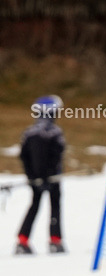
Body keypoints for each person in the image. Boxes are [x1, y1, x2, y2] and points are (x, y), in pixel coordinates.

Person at [16, 95, 66, 255]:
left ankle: (22, 240)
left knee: (34, 206)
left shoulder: (29, 133)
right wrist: (49, 175)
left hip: (35, 178)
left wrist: (32, 176)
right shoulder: (55, 133)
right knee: (55, 207)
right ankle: (55, 240)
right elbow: (56, 154)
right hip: (53, 178)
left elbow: (24, 156)